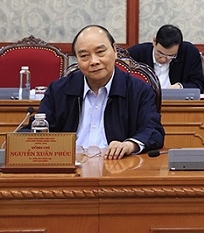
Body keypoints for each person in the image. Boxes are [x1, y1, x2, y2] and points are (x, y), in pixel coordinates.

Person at [26, 25, 165, 159]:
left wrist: (130, 145)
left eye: (100, 52)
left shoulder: (138, 90)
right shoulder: (59, 90)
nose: (94, 61)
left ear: (115, 51)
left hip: (118, 168)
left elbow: (153, 130)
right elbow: (37, 130)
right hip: (70, 171)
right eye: (85, 55)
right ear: (77, 60)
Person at [128, 24, 204, 92]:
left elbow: (198, 86)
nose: (163, 59)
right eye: (160, 53)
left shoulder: (189, 53)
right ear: (154, 42)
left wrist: (180, 87)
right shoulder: (136, 54)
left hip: (177, 104)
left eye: (171, 56)